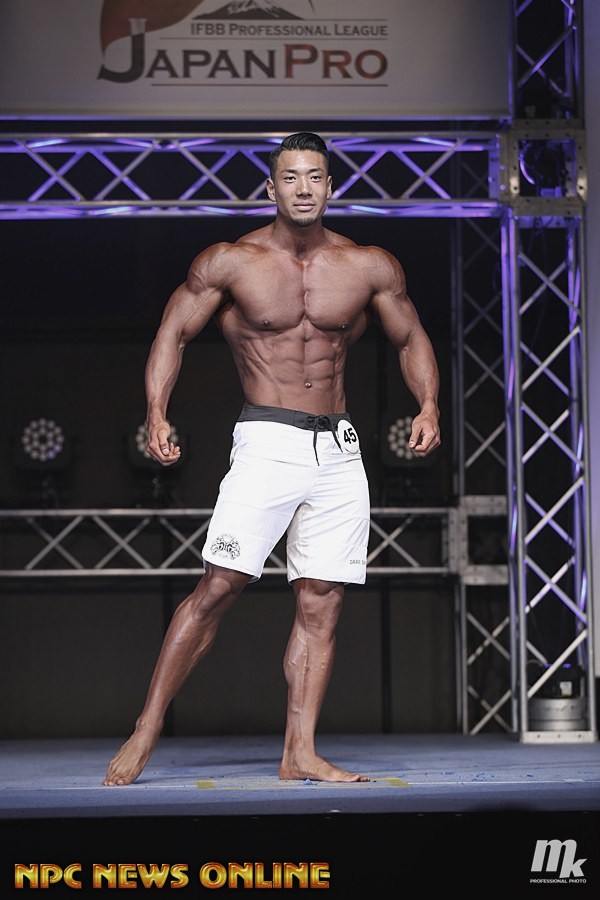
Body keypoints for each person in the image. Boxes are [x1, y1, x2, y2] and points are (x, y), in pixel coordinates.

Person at [103, 132, 441, 787]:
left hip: (338, 448)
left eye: (315, 176)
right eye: (291, 177)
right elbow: (173, 332)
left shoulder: (369, 266)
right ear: (271, 187)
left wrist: (427, 404)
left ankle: (300, 752)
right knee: (218, 587)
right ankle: (146, 727)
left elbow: (410, 337)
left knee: (322, 601)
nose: (304, 188)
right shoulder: (231, 262)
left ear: (330, 186)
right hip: (268, 440)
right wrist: (156, 411)